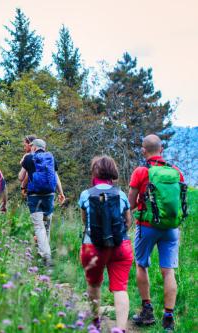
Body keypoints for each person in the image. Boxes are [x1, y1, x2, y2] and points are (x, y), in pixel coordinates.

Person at [128, 134, 187, 331]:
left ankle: (147, 312)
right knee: (168, 271)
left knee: (141, 265)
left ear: (144, 151)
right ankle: (168, 318)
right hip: (171, 228)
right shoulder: (176, 172)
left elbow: (131, 203)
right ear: (161, 150)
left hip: (147, 226)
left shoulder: (140, 171)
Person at [79, 156, 133, 332]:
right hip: (120, 245)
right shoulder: (121, 194)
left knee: (94, 285)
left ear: (94, 171)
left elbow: (83, 221)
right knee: (120, 288)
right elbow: (128, 221)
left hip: (92, 247)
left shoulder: (86, 194)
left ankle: (95, 322)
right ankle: (121, 329)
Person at [18, 139, 65, 266]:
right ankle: (42, 253)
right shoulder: (51, 158)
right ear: (44, 147)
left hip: (34, 196)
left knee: (39, 226)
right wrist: (61, 193)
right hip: (49, 195)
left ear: (34, 147)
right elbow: (55, 176)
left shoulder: (29, 158)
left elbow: (21, 177)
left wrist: (24, 164)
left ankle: (47, 257)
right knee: (47, 225)